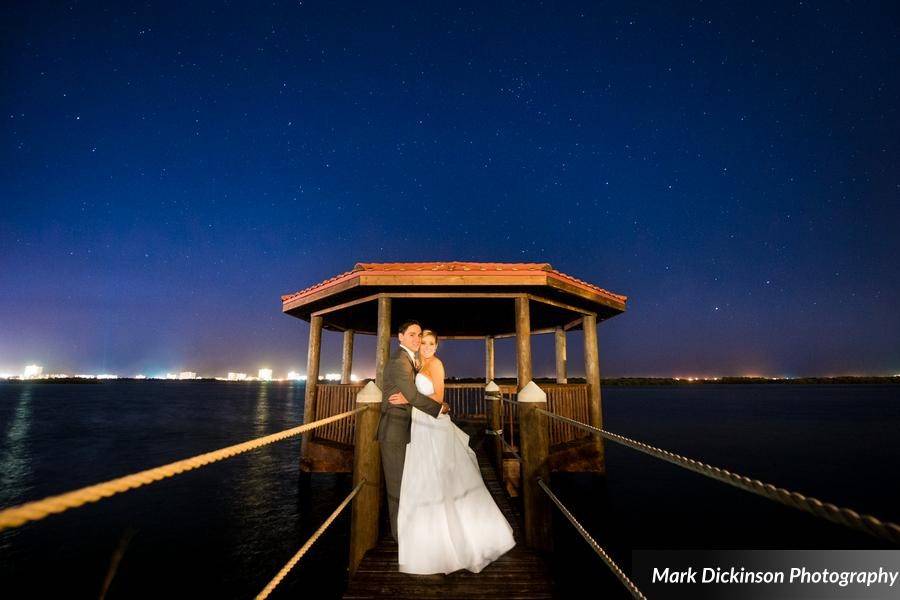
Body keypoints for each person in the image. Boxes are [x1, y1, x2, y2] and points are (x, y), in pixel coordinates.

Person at [391, 329, 516, 575]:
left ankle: (454, 538)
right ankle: (429, 537)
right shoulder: (417, 363)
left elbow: (438, 397)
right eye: (422, 342)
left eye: (430, 343)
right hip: (419, 423)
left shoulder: (435, 364)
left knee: (441, 475)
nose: (425, 346)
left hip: (432, 423)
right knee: (422, 476)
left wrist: (407, 400)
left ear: (436, 346)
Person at [376, 320, 450, 544]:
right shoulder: (401, 361)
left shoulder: (415, 361)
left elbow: (413, 395)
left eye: (420, 335)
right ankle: (401, 539)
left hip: (411, 429)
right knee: (397, 488)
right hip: (395, 431)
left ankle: (411, 529)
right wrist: (440, 408)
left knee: (408, 483)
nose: (417, 339)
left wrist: (410, 399)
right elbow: (413, 395)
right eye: (412, 335)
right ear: (400, 337)